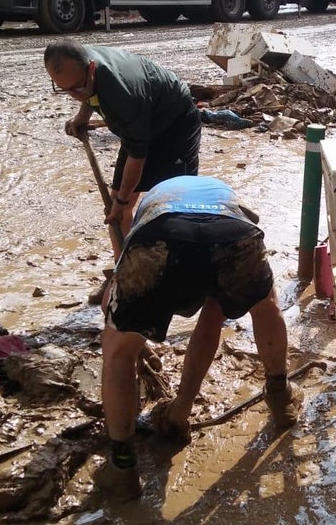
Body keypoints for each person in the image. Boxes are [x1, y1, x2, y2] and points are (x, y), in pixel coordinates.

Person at [93, 175, 303, 501]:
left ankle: (122, 468)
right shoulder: (225, 196)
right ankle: (281, 397)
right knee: (265, 307)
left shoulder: (149, 204)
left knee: (119, 349)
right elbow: (209, 325)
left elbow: (116, 291)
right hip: (233, 235)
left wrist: (121, 324)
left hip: (160, 236)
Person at [45, 40, 201, 259]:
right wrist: (82, 117)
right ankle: (123, 268)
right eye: (65, 90)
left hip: (174, 121)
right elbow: (88, 93)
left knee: (175, 201)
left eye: (77, 87)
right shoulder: (81, 67)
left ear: (91, 67)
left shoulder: (122, 94)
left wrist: (121, 202)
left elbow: (137, 156)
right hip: (139, 121)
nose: (75, 94)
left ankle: (181, 261)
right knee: (116, 214)